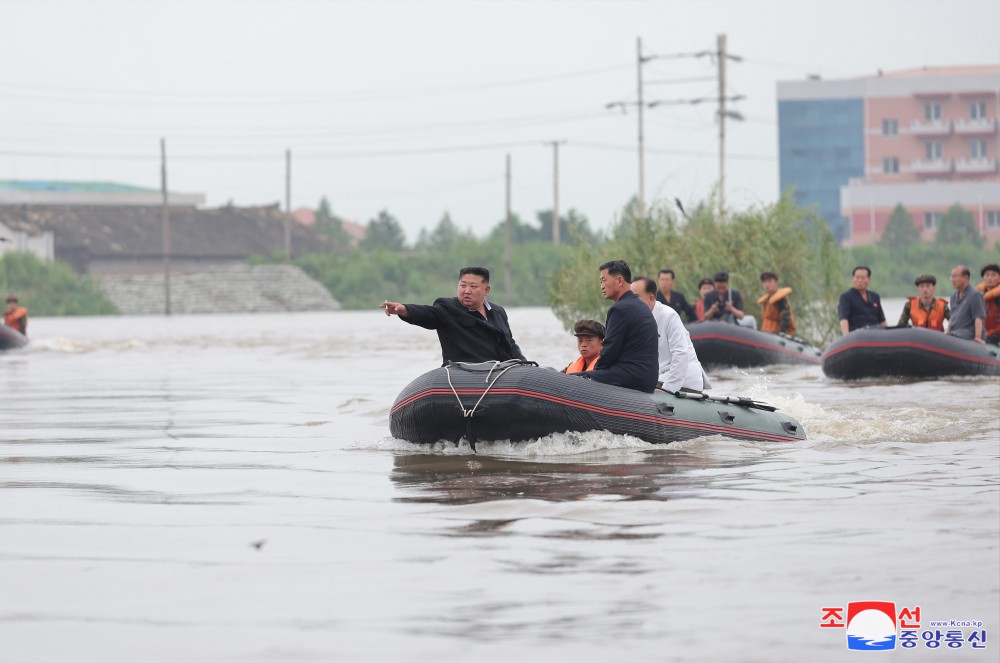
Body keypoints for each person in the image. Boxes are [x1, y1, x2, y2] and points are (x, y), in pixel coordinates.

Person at [380, 266, 527, 365]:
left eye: (473, 287)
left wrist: (524, 366)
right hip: (464, 375)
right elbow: (428, 314)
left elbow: (510, 344)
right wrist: (403, 309)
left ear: (486, 289)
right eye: (463, 285)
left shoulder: (498, 312)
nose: (467, 290)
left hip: (502, 376)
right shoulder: (447, 308)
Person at [579, 259, 658, 393]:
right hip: (648, 378)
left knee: (576, 379)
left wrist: (593, 373)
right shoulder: (640, 306)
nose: (602, 286)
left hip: (630, 377)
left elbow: (609, 351)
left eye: (604, 280)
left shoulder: (620, 309)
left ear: (620, 281)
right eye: (600, 282)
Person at [631, 277, 711, 393]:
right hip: (659, 377)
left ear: (651, 298)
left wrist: (668, 389)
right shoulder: (636, 322)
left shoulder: (669, 316)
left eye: (636, 298)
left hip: (683, 380)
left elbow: (680, 354)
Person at [838, 266, 886, 335]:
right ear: (853, 279)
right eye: (857, 277)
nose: (859, 280)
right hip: (857, 335)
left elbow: (882, 321)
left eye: (863, 278)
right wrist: (846, 336)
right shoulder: (846, 297)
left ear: (869, 280)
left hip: (875, 334)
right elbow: (843, 319)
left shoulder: (875, 297)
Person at [946, 264, 985, 344]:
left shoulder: (975, 295)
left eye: (956, 277)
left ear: (966, 278)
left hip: (967, 333)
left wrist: (977, 337)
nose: (953, 280)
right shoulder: (954, 295)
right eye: (952, 277)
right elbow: (952, 317)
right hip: (955, 332)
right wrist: (946, 331)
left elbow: (978, 318)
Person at [977, 263, 1000, 345]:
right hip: (983, 334)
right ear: (983, 278)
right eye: (987, 275)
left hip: (997, 336)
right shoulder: (980, 295)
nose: (990, 278)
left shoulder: (998, 296)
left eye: (994, 275)